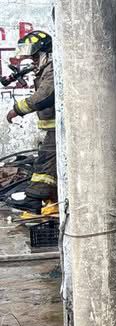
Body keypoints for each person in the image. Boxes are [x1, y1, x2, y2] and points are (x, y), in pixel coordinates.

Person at [5, 31, 56, 212]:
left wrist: (17, 110)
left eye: (35, 56)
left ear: (46, 53)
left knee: (45, 164)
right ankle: (51, 200)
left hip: (59, 129)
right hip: (55, 129)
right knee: (49, 164)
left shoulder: (52, 69)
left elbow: (45, 96)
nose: (33, 60)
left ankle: (34, 200)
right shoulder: (45, 69)